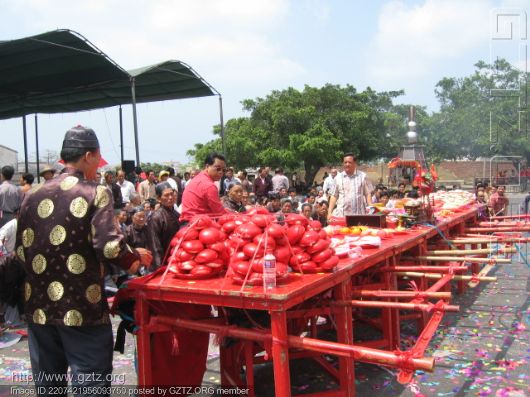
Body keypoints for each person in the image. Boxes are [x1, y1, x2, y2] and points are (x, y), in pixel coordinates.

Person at [15, 125, 152, 395]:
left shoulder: (31, 195)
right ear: (88, 156)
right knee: (90, 384)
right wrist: (136, 259)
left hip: (39, 308)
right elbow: (110, 247)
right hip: (81, 308)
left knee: (49, 387)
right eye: (97, 160)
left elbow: (20, 252)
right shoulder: (95, 191)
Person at [180, 153, 231, 224]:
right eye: (218, 168)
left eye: (224, 170)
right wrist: (235, 217)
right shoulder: (209, 185)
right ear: (207, 166)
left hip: (189, 221)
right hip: (197, 224)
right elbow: (220, 213)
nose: (221, 172)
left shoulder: (199, 178)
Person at [147, 182, 180, 270]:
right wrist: (159, 268)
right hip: (163, 263)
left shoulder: (177, 214)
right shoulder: (156, 217)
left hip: (175, 260)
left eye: (172, 194)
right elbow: (155, 246)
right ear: (158, 198)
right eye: (166, 195)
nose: (170, 197)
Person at [328, 153, 373, 217]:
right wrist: (329, 212)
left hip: (359, 215)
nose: (347, 164)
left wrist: (370, 207)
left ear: (355, 163)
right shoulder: (338, 178)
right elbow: (334, 196)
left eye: (349, 162)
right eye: (345, 162)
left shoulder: (363, 176)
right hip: (342, 215)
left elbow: (368, 193)